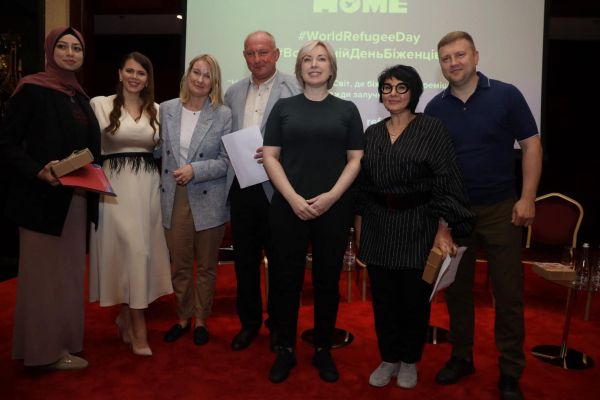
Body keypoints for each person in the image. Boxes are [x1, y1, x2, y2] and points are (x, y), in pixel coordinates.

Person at [425, 31, 542, 400]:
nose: (453, 63)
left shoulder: (507, 95)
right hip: (456, 212)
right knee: (457, 292)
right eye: (446, 58)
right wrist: (442, 223)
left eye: (459, 55)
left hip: (502, 209)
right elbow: (435, 170)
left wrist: (527, 198)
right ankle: (462, 357)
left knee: (508, 293)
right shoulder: (435, 108)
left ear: (475, 56)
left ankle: (510, 371)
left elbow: (531, 145)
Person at [355, 65, 475, 389]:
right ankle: (388, 358)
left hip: (419, 226)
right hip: (378, 227)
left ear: (414, 92)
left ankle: (409, 360)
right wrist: (360, 232)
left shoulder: (432, 129)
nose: (393, 94)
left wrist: (444, 228)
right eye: (387, 87)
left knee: (413, 301)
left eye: (401, 87)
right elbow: (363, 189)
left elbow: (446, 181)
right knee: (383, 302)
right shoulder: (372, 133)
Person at [262, 40, 364, 383]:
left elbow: (355, 160)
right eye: (307, 59)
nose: (314, 64)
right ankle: (285, 349)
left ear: (331, 68)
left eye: (321, 59)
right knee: (285, 280)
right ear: (299, 68)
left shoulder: (347, 110)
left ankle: (323, 348)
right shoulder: (283, 108)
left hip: (333, 208)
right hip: (288, 207)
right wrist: (292, 198)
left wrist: (332, 197)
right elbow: (270, 156)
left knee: (327, 281)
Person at [0, 27, 100, 370]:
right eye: (63, 46)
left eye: (77, 48)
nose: (70, 53)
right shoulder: (32, 89)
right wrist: (37, 171)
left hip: (74, 200)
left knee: (68, 277)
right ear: (49, 51)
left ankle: (63, 344)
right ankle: (43, 353)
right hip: (40, 201)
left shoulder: (79, 96)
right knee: (43, 280)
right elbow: (7, 144)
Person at [88, 52, 173, 356]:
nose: (134, 77)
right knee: (131, 251)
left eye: (141, 73)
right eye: (130, 71)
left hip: (148, 189)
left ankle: (126, 315)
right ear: (120, 73)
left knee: (142, 252)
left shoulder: (159, 110)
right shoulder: (100, 104)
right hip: (114, 190)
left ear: (148, 79)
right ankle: (138, 325)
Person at [224, 31, 301, 352]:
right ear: (245, 56)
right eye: (251, 54)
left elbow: (303, 139)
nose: (257, 59)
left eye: (263, 52)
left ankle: (279, 327)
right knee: (244, 262)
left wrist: (277, 152)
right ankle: (249, 323)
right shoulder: (232, 93)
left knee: (282, 262)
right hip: (242, 187)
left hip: (278, 189)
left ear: (277, 54)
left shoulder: (295, 89)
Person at [160, 54, 232, 346]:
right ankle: (183, 317)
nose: (201, 80)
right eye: (197, 72)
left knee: (206, 265)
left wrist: (195, 170)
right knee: (179, 264)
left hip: (209, 195)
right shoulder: (166, 109)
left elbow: (226, 161)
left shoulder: (223, 114)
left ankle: (201, 319)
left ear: (214, 82)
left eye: (207, 75)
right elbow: (157, 151)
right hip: (174, 195)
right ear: (187, 74)